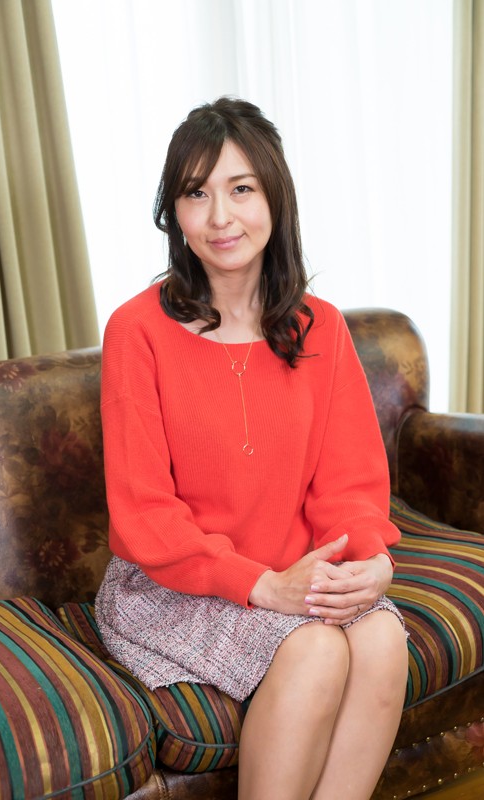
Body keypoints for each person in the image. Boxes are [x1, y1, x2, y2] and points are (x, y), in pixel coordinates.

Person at [95, 96, 409, 800]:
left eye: (241, 189)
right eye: (195, 193)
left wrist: (373, 560)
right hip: (170, 584)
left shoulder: (321, 327)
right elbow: (145, 513)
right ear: (174, 213)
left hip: (295, 567)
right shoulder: (136, 333)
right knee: (317, 649)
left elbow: (350, 484)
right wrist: (266, 587)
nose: (220, 217)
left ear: (275, 198)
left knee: (384, 640)